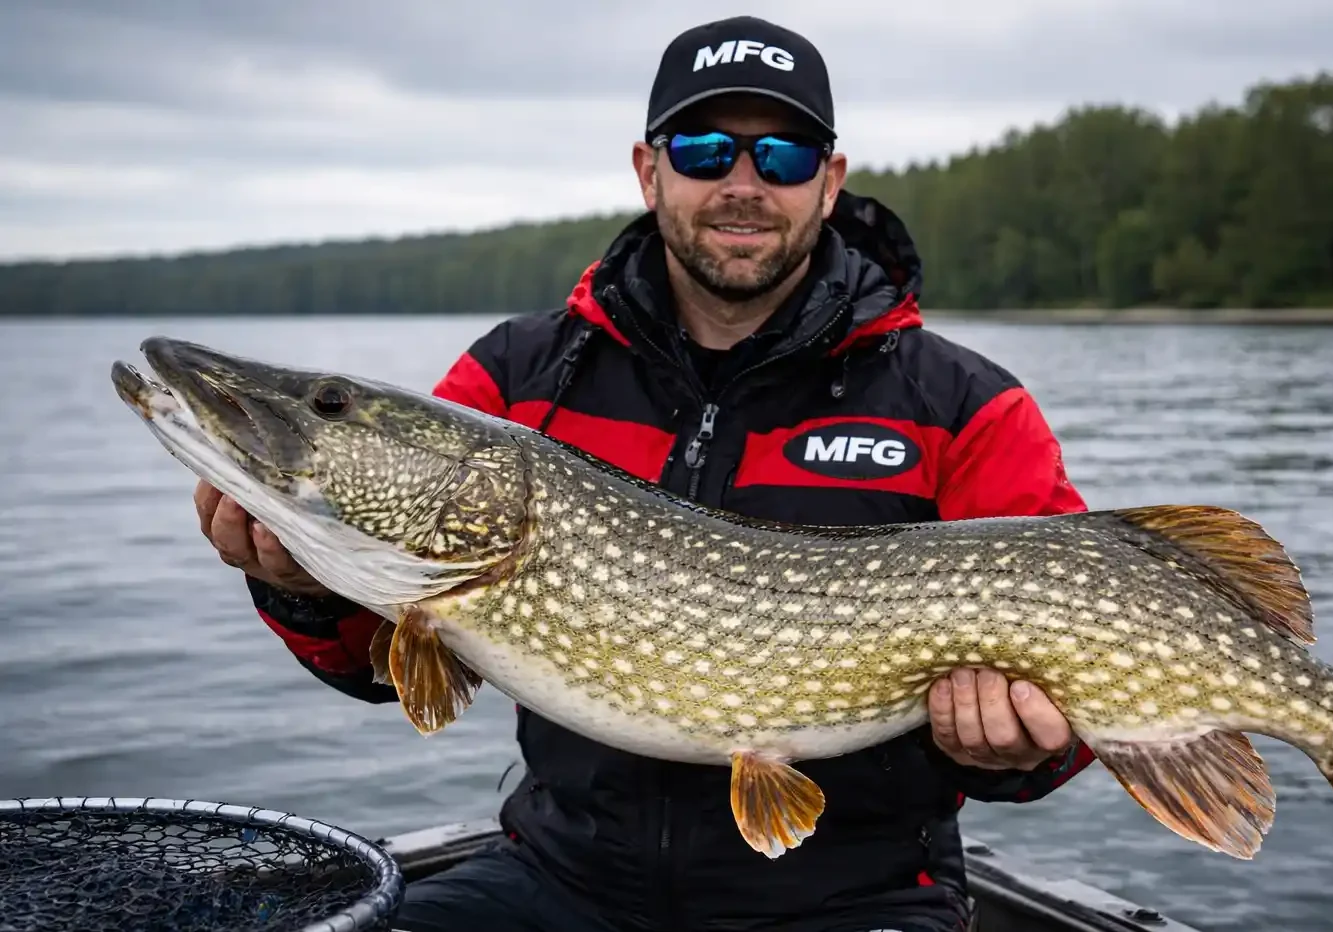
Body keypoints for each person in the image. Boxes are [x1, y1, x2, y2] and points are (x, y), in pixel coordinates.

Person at [194, 15, 1096, 932]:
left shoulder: (962, 405)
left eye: (780, 157)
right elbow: (386, 667)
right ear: (649, 169)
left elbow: (1076, 726)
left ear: (829, 183)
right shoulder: (513, 379)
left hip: (854, 896)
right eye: (706, 151)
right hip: (561, 876)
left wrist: (1012, 752)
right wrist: (300, 589)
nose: (742, 185)